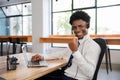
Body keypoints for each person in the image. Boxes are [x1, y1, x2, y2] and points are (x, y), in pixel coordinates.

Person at [31, 11, 101, 80]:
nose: (77, 30)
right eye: (74, 27)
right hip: (64, 74)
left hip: (74, 78)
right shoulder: (76, 42)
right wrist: (43, 57)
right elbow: (60, 54)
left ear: (87, 25)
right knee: (36, 75)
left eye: (80, 26)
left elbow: (90, 74)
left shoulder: (93, 46)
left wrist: (75, 51)